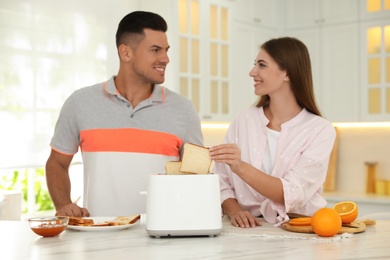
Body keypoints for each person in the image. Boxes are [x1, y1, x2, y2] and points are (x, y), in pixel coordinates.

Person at [45, 11, 203, 217]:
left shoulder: (183, 109)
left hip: (164, 237)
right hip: (99, 236)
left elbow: (198, 175)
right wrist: (63, 205)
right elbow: (56, 163)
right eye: (155, 50)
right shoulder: (80, 102)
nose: (165, 59)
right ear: (126, 53)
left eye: (166, 50)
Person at [209, 37, 336, 228]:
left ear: (287, 74)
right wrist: (235, 211)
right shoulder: (244, 119)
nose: (252, 72)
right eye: (255, 65)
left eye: (262, 65)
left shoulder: (320, 130)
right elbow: (221, 180)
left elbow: (293, 192)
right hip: (245, 233)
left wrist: (239, 166)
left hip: (299, 233)